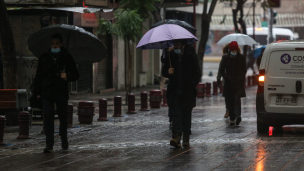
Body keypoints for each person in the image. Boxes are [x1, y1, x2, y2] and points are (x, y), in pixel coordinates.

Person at [33, 33, 79, 153]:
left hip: (61, 91)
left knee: (63, 117)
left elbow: (76, 74)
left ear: (61, 44)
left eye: (57, 44)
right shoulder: (44, 57)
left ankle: (64, 139)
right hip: (47, 91)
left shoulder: (66, 57)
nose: (55, 46)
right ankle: (49, 143)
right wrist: (36, 91)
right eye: (53, 44)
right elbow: (39, 75)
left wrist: (67, 76)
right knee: (48, 117)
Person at [162, 40, 201, 147]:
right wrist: (168, 72)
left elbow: (197, 74)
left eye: (177, 45)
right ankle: (176, 137)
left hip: (187, 92)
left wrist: (191, 84)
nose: (175, 47)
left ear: (183, 45)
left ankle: (186, 137)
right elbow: (164, 71)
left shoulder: (191, 57)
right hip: (175, 92)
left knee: (186, 115)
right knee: (176, 114)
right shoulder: (171, 56)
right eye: (174, 45)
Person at [219, 41, 246, 126]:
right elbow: (221, 70)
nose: (234, 52)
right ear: (230, 50)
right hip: (229, 83)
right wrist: (226, 77)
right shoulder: (225, 58)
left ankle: (238, 116)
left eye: (235, 50)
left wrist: (241, 77)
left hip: (238, 83)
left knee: (237, 100)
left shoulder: (241, 58)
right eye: (233, 50)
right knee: (230, 101)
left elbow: (244, 69)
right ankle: (232, 118)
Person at [217, 43, 230, 118]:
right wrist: (218, 79)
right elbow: (220, 69)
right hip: (226, 81)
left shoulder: (238, 58)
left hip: (234, 81)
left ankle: (232, 111)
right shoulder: (224, 58)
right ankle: (227, 110)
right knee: (227, 97)